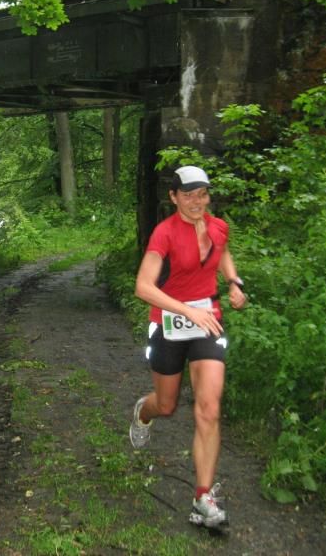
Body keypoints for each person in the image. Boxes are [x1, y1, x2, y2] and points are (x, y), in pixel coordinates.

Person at [130, 165, 246, 529]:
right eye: (189, 195)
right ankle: (143, 411)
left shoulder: (218, 226)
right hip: (168, 321)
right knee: (166, 405)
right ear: (174, 197)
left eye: (203, 194)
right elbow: (143, 287)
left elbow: (221, 253)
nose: (197, 201)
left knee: (209, 408)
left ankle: (203, 497)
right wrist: (185, 311)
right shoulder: (164, 233)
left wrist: (234, 282)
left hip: (207, 320)